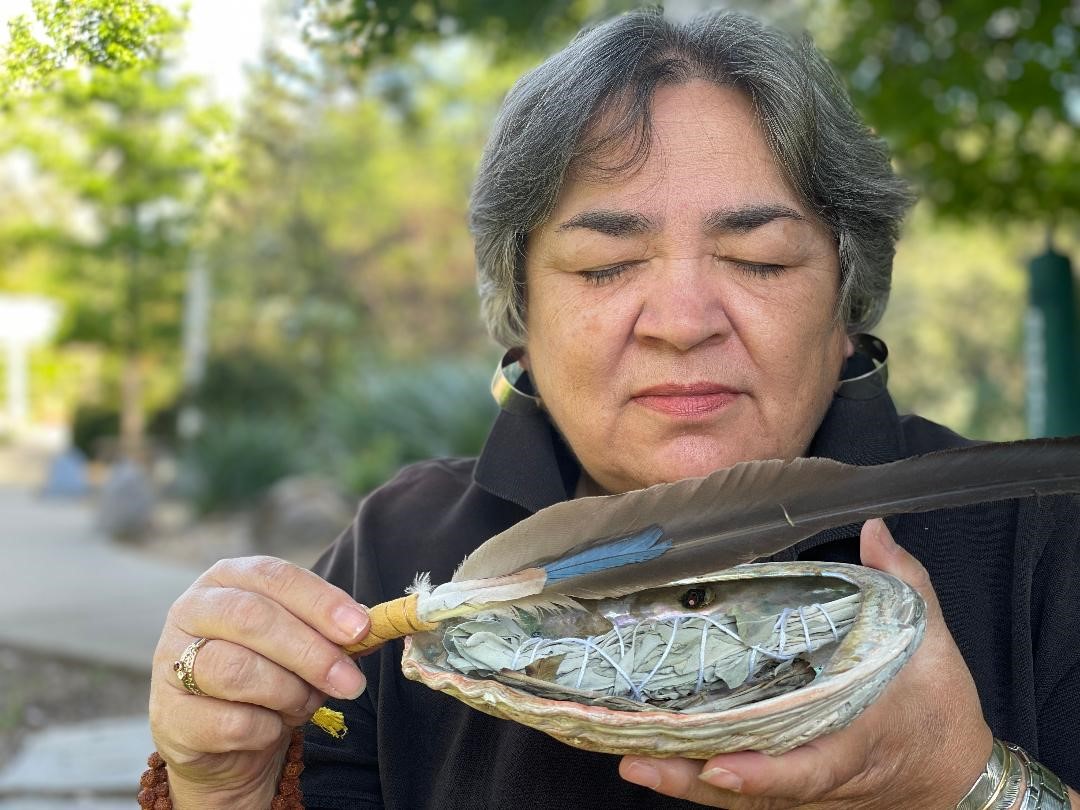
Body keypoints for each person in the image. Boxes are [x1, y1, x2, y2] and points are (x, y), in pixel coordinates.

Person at [145, 9, 1080, 810]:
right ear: (521, 314)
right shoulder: (397, 549)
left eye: (758, 260)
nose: (681, 322)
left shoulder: (1040, 545)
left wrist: (964, 782)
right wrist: (225, 784)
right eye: (604, 267)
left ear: (848, 302)